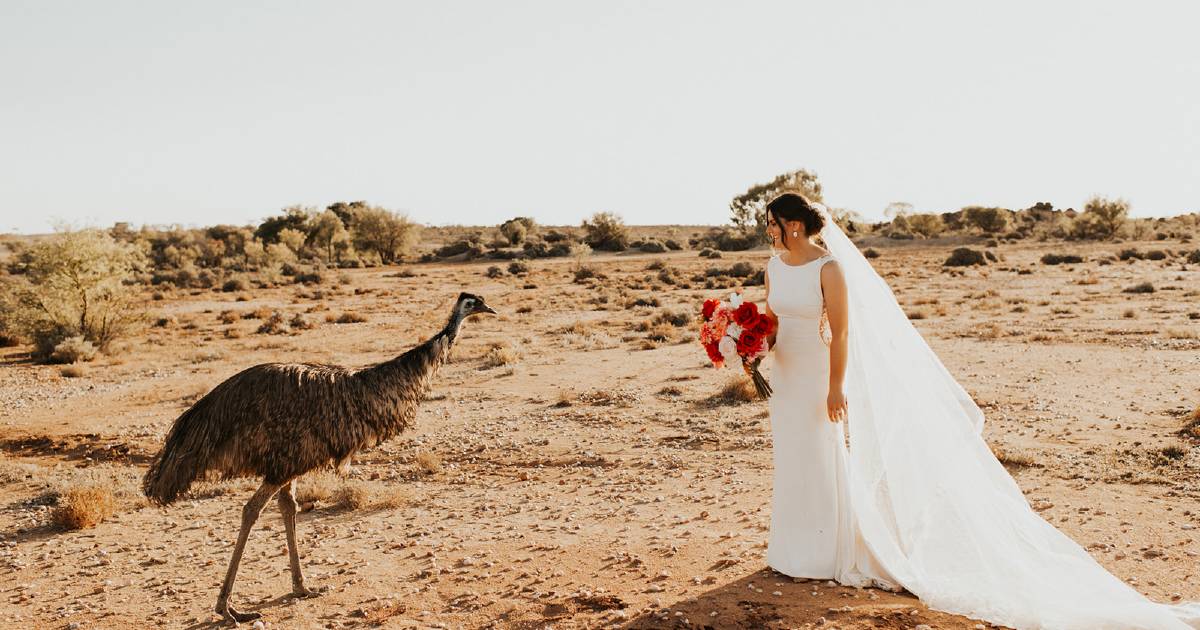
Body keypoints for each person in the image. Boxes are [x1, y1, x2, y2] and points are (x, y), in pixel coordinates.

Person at [759, 192, 1200, 629]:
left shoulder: (829, 268)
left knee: (821, 453)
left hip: (819, 376)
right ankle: (790, 548)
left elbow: (842, 333)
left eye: (773, 222)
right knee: (791, 456)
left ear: (793, 224)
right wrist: (748, 346)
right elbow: (773, 324)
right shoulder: (773, 267)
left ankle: (824, 551)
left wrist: (837, 387)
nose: (769, 230)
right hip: (786, 376)